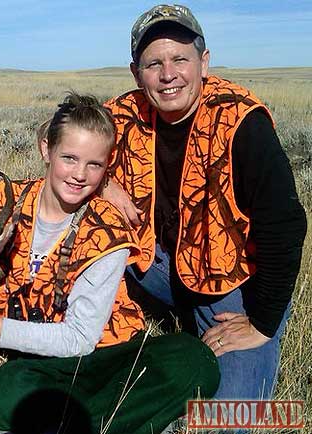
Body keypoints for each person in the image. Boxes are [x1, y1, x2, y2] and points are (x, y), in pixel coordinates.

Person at [0, 93, 219, 434]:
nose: (80, 174)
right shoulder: (3, 201)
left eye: (94, 165)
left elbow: (79, 339)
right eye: (69, 158)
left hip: (111, 354)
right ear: (45, 150)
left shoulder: (107, 227)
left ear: (105, 168)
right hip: (46, 364)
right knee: (8, 387)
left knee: (194, 361)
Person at [102, 4, 307, 401]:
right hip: (157, 264)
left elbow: (285, 225)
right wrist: (104, 181)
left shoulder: (242, 122)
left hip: (233, 284)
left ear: (204, 62)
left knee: (231, 417)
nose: (168, 75)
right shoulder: (123, 113)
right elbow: (56, 134)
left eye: (180, 59)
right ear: (135, 73)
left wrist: (261, 322)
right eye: (153, 63)